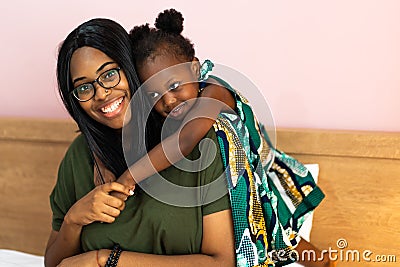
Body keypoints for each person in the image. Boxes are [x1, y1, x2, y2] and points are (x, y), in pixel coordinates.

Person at [98, 8, 336, 267]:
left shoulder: (215, 91)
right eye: (154, 95)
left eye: (174, 86)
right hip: (227, 185)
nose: (168, 100)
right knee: (261, 241)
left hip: (252, 176)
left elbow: (186, 140)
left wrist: (129, 177)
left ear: (194, 68)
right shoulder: (171, 111)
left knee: (280, 235)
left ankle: (323, 263)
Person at [44, 17, 235, 267]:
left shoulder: (203, 140)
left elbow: (222, 263)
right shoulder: (79, 156)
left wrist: (107, 260)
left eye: (109, 74)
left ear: (130, 68)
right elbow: (54, 263)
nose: (101, 93)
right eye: (83, 88)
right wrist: (74, 220)